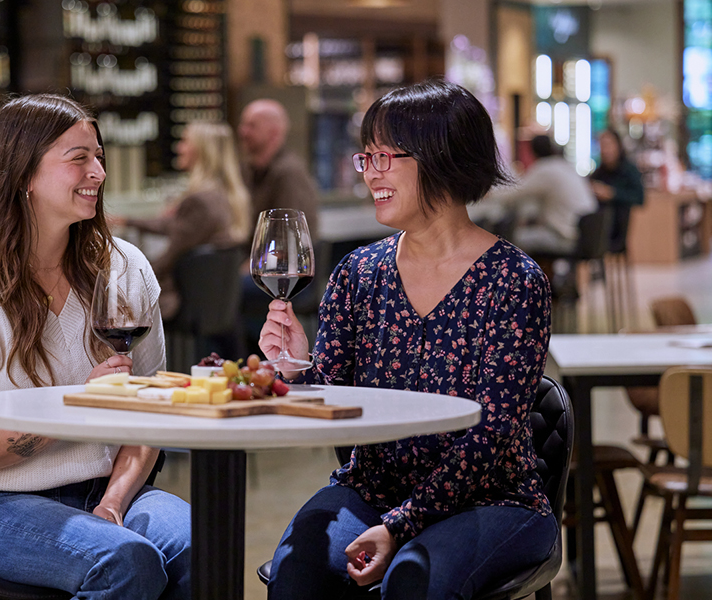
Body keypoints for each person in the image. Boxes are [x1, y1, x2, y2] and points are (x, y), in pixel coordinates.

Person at [258, 79, 557, 600]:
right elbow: (339, 408)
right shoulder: (360, 272)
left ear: (444, 157)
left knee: (412, 581)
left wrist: (401, 526)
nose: (370, 171)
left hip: (492, 500)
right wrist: (299, 369)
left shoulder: (514, 280)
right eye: (365, 156)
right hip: (372, 489)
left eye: (384, 156)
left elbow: (490, 434)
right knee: (296, 572)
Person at [0, 94, 190, 598]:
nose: (98, 172)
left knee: (199, 542)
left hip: (109, 485)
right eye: (78, 158)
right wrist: (76, 405)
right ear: (24, 176)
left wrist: (113, 504)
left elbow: (151, 419)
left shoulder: (125, 270)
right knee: (125, 561)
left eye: (99, 156)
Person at [120, 121, 250, 319]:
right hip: (212, 301)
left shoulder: (199, 202)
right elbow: (175, 226)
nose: (178, 147)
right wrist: (129, 220)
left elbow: (168, 262)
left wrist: (124, 278)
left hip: (181, 302)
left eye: (185, 141)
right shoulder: (228, 198)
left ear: (202, 151)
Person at [490, 134, 597, 256]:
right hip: (587, 235)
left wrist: (488, 195)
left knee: (511, 240)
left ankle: (522, 275)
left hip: (567, 237)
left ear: (532, 151)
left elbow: (516, 192)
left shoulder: (545, 169)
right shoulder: (565, 165)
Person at [238, 98, 319, 238]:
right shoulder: (250, 170)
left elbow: (290, 237)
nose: (242, 132)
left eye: (251, 126)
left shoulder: (288, 174)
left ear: (274, 133)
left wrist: (253, 259)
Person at [590, 128, 645, 253]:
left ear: (618, 146)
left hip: (617, 230)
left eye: (608, 145)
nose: (605, 150)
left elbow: (640, 198)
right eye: (602, 145)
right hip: (597, 228)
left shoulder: (629, 170)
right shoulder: (599, 172)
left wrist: (612, 194)